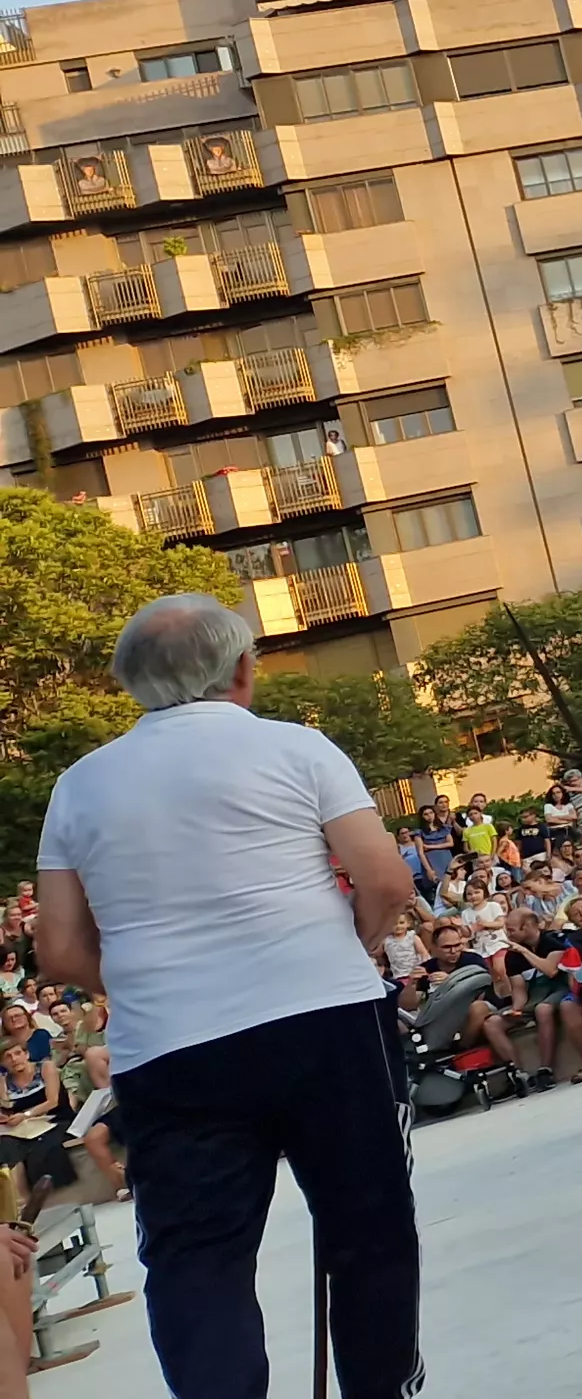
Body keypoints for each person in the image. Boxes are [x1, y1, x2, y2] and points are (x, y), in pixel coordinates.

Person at [30, 595, 419, 1396]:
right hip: (323, 1019)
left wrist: (141, 980)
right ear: (243, 668)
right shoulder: (299, 749)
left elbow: (60, 947)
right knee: (366, 1228)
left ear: (130, 685)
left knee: (196, 1257)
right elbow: (385, 879)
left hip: (172, 1046)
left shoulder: (79, 785)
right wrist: (352, 945)